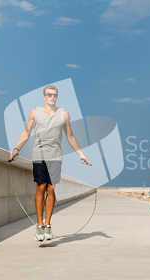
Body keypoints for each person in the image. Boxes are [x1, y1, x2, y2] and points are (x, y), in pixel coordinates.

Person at [9, 85, 90, 241]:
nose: (52, 97)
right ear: (44, 97)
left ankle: (48, 225)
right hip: (39, 156)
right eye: (49, 95)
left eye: (55, 95)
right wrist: (16, 149)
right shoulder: (35, 113)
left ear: (57, 97)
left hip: (55, 157)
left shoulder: (64, 114)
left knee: (51, 189)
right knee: (41, 187)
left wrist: (81, 154)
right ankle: (39, 226)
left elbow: (70, 136)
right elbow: (26, 133)